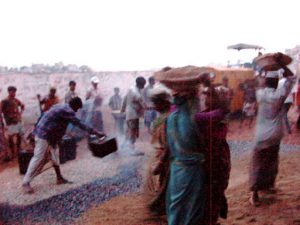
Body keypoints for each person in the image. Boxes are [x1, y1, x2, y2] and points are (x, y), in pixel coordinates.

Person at [156, 66, 207, 225]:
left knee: (176, 209)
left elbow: (169, 147)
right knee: (192, 211)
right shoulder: (196, 119)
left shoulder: (171, 118)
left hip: (177, 172)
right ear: (192, 97)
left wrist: (160, 162)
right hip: (192, 173)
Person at [22, 97, 105, 194]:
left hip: (49, 134)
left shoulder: (62, 105)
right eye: (77, 108)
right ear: (74, 106)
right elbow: (79, 123)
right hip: (44, 135)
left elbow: (54, 121)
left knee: (55, 156)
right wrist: (96, 132)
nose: (77, 111)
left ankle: (59, 178)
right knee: (39, 157)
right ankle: (26, 182)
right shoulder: (68, 111)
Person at [249, 64, 295, 206]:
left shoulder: (260, 94)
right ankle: (268, 185)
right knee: (271, 160)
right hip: (276, 133)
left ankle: (255, 194)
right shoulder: (279, 94)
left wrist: (262, 71)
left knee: (257, 164)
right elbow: (291, 78)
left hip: (261, 135)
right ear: (276, 82)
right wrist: (281, 63)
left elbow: (256, 81)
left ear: (266, 82)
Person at [195, 84, 231, 225]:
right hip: (210, 158)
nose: (206, 97)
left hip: (216, 159)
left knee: (214, 192)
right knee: (209, 193)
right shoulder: (209, 112)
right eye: (206, 94)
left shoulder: (218, 114)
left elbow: (198, 119)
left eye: (210, 94)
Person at [144, 84, 172, 215]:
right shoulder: (164, 117)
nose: (154, 106)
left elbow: (169, 144)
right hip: (165, 155)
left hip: (169, 157)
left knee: (167, 180)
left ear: (163, 103)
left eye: (156, 103)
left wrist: (160, 162)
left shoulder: (169, 118)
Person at [121, 76, 146, 156]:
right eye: (143, 84)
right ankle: (131, 150)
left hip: (131, 114)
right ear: (140, 84)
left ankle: (124, 146)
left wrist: (122, 109)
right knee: (133, 132)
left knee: (130, 130)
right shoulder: (134, 91)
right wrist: (146, 108)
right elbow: (141, 102)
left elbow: (125, 98)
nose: (144, 86)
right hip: (132, 114)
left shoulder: (132, 89)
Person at [0, 86, 25, 161]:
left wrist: (20, 113)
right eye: (12, 91)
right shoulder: (4, 101)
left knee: (19, 135)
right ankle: (13, 153)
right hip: (10, 122)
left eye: (14, 92)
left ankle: (18, 150)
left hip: (18, 121)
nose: (14, 93)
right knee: (11, 137)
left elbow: (22, 106)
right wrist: (2, 121)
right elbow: (0, 111)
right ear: (9, 92)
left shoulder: (16, 100)